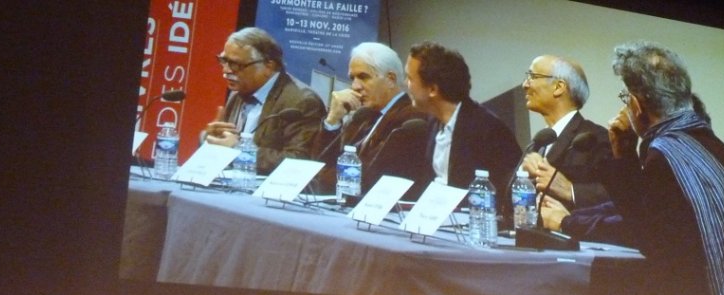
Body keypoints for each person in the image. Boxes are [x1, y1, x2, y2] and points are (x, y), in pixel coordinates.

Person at [541, 41, 724, 295]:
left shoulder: (664, 155)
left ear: (637, 104)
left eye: (624, 97)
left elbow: (643, 234)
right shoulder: (715, 146)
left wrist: (622, 157)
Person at [404, 42, 521, 219]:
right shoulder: (430, 125)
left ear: (433, 89)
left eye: (410, 79)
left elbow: (506, 192)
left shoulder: (487, 129)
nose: (407, 85)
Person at [311, 42, 431, 197]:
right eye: (352, 78)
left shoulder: (413, 118)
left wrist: (320, 177)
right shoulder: (362, 117)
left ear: (390, 79)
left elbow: (369, 179)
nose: (355, 86)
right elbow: (319, 164)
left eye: (363, 77)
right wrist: (333, 120)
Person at [204, 27, 324, 174]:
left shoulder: (302, 101)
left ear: (269, 65)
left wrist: (239, 151)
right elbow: (226, 145)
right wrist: (211, 139)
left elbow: (298, 161)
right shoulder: (237, 93)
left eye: (236, 64)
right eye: (224, 61)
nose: (226, 70)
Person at [519, 55, 612, 211]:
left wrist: (571, 190)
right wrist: (522, 175)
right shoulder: (539, 143)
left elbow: (623, 195)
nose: (525, 84)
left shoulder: (595, 138)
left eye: (533, 76)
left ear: (559, 87)